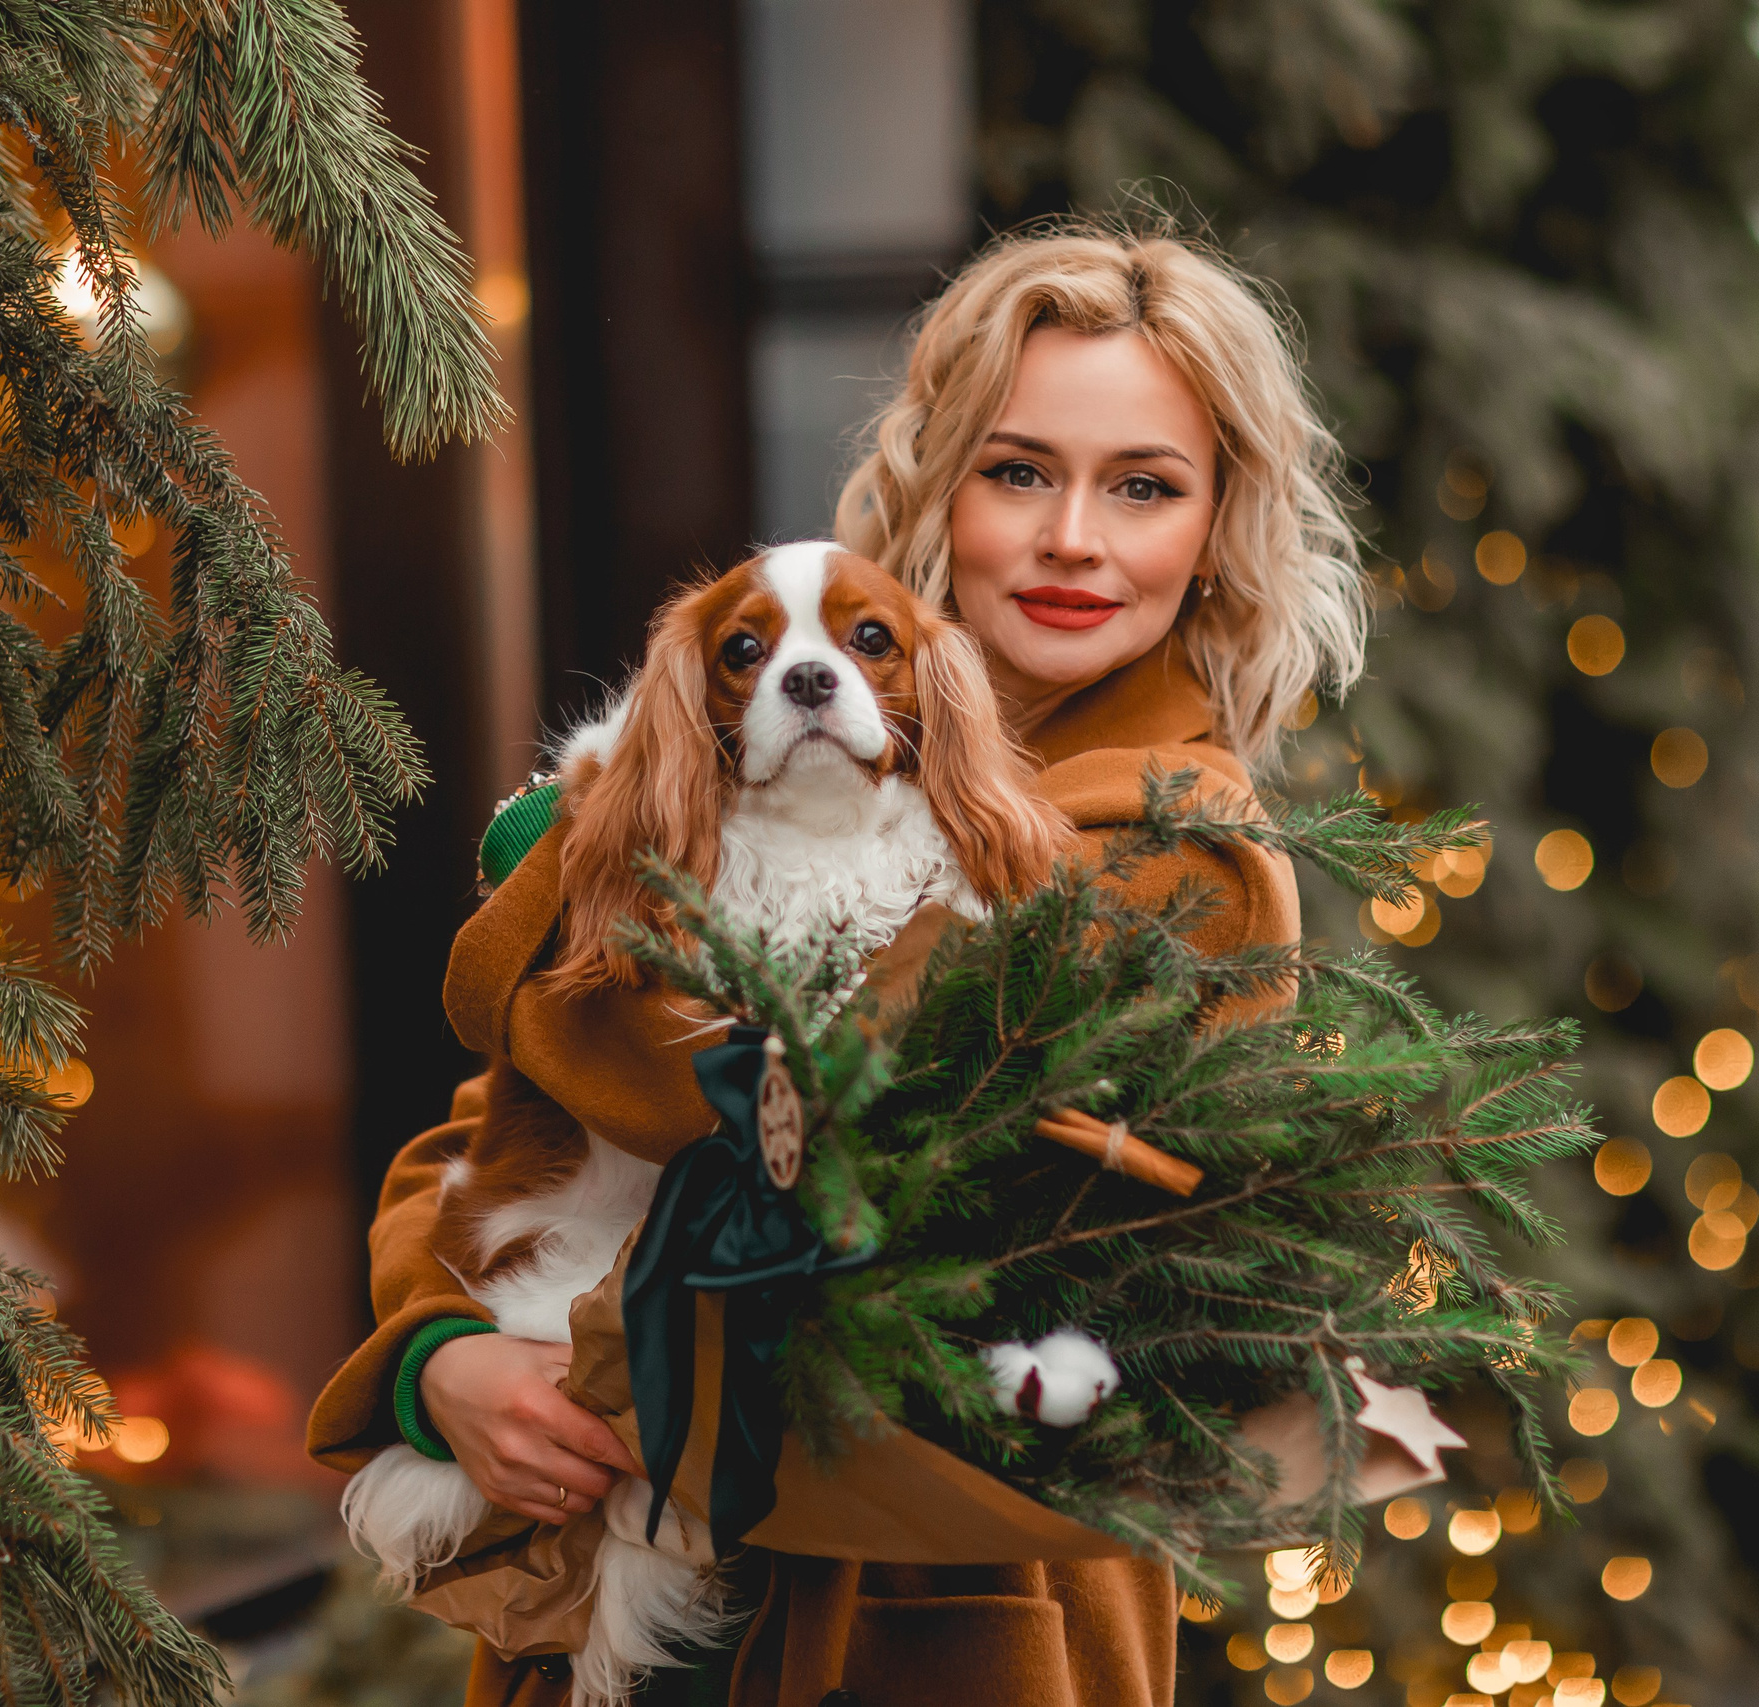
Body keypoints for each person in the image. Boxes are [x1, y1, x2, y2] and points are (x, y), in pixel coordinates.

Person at [306, 221, 1372, 1707]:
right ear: (940, 484)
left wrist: (561, 900)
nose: (1074, 536)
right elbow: (492, 1132)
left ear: (1216, 529)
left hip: (938, 1632)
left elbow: (791, 1130)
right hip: (616, 1571)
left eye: (1144, 486)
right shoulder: (813, 737)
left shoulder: (1168, 847)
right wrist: (438, 1358)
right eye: (1019, 471)